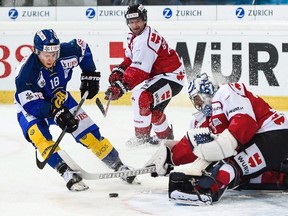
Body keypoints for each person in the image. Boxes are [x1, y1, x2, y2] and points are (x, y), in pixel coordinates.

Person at [14, 29, 136, 192]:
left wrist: (89, 74)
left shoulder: (67, 52)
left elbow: (83, 47)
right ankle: (65, 171)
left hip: (61, 99)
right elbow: (31, 105)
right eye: (45, 54)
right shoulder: (26, 73)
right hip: (31, 108)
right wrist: (55, 113)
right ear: (36, 51)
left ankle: (118, 165)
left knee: (89, 135)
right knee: (40, 138)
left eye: (54, 53)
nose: (51, 58)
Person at [146, 73, 288, 205]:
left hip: (275, 133)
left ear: (206, 91)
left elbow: (245, 123)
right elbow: (195, 145)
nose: (198, 105)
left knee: (229, 163)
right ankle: (282, 175)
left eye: (197, 99)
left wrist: (221, 147)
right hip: (265, 144)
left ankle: (206, 189)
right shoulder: (205, 120)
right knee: (240, 179)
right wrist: (170, 156)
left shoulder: (226, 92)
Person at [104, 4, 186, 146]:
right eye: (131, 22)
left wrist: (121, 86)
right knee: (153, 110)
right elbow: (131, 60)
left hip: (172, 78)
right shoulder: (134, 36)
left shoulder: (145, 40)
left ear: (145, 20)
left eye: (138, 21)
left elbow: (139, 72)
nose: (135, 25)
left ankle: (141, 138)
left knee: (141, 97)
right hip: (164, 76)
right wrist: (119, 70)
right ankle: (166, 138)